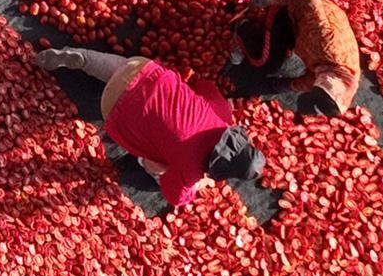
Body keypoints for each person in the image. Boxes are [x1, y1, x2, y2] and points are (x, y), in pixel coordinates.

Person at [37, 45, 266, 213]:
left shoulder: (222, 115)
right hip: (117, 108)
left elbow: (204, 86)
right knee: (158, 167)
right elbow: (175, 196)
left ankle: (84, 59)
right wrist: (197, 184)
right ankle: (140, 160)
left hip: (146, 73)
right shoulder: (191, 170)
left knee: (120, 68)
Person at [224, 0, 363, 117]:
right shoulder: (324, 42)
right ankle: (242, 28)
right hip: (292, 10)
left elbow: (303, 83)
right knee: (261, 61)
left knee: (271, 67)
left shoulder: (337, 85)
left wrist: (277, 86)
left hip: (304, 32)